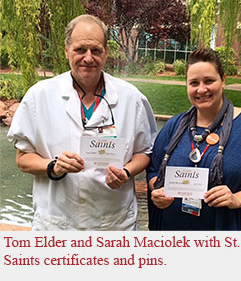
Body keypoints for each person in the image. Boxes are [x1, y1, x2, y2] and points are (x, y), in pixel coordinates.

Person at [7, 14, 157, 230]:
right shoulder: (39, 96)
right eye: (80, 49)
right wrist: (54, 166)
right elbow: (23, 159)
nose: (88, 58)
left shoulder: (131, 98)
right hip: (57, 223)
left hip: (113, 224)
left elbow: (144, 152)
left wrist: (126, 172)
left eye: (96, 50)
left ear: (106, 53)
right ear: (67, 50)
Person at [146, 47, 241, 230]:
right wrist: (157, 192)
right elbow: (154, 170)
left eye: (209, 81)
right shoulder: (174, 126)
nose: (201, 89)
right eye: (194, 83)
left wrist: (237, 199)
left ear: (223, 80)